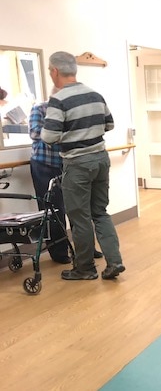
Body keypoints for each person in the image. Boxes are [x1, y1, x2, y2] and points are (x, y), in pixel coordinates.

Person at [41, 51, 125, 281]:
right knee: (100, 213)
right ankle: (114, 261)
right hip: (100, 159)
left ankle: (85, 268)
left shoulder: (59, 100)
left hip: (77, 163)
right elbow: (110, 124)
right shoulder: (95, 95)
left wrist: (68, 134)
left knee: (79, 218)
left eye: (50, 71)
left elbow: (48, 137)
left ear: (55, 71)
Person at [29, 87, 104, 264]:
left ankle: (86, 249)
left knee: (79, 208)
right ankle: (59, 252)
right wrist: (62, 133)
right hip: (45, 165)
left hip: (70, 164)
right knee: (54, 210)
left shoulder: (73, 110)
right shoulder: (40, 109)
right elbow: (34, 132)